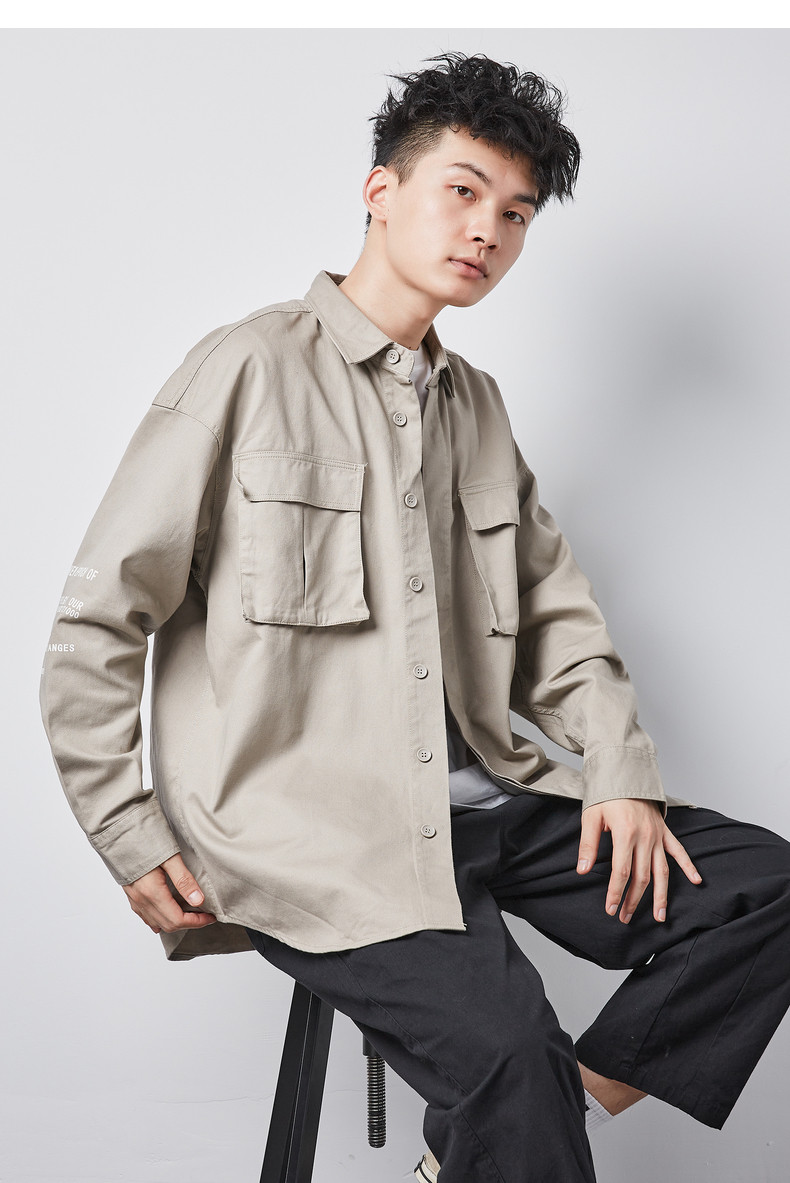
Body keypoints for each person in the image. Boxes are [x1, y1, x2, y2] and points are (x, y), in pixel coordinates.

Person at [39, 51, 790, 1183]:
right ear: (380, 191)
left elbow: (554, 618)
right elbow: (97, 623)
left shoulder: (474, 406)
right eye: (462, 190)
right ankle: (520, 1114)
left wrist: (618, 769)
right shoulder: (244, 370)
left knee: (762, 888)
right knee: (510, 1059)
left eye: (516, 213)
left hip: (487, 806)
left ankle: (529, 1123)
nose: (487, 229)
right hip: (322, 840)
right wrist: (127, 827)